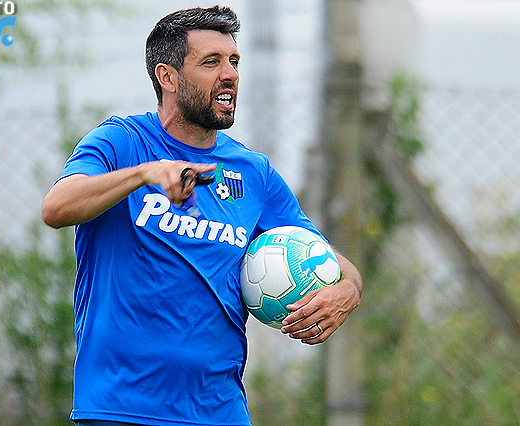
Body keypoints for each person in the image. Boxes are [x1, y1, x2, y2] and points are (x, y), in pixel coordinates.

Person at [42, 5, 362, 426]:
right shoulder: (123, 142)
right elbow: (56, 207)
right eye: (211, 62)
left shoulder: (253, 172)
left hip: (219, 411)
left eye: (234, 61)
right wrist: (144, 174)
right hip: (120, 408)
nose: (230, 74)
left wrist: (348, 290)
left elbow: (326, 256)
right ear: (168, 77)